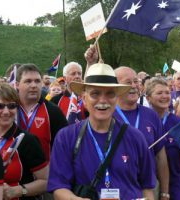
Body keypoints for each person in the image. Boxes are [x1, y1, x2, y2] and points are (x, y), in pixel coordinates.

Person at [48, 63, 156, 199]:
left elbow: (147, 188)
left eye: (110, 94)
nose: (103, 100)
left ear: (117, 99)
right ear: (84, 98)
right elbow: (59, 188)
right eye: (95, 94)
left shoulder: (136, 137)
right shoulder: (66, 137)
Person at [114, 66, 170, 199]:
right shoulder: (107, 115)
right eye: (128, 82)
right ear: (115, 86)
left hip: (148, 188)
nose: (134, 86)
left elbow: (161, 157)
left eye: (136, 81)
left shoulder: (151, 115)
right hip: (116, 188)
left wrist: (165, 192)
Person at [0, 83, 48, 199]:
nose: (6, 111)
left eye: (11, 106)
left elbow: (46, 181)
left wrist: (19, 190)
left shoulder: (28, 140)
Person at [16, 63, 68, 161]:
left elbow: (65, 145)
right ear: (17, 85)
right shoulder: (8, 109)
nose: (33, 85)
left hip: (44, 173)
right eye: (28, 81)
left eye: (37, 81)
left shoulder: (53, 111)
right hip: (13, 173)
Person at [146, 77, 180, 200]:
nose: (165, 96)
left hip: (174, 183)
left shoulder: (179, 123)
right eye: (159, 93)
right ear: (148, 98)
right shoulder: (142, 121)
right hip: (147, 183)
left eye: (167, 92)